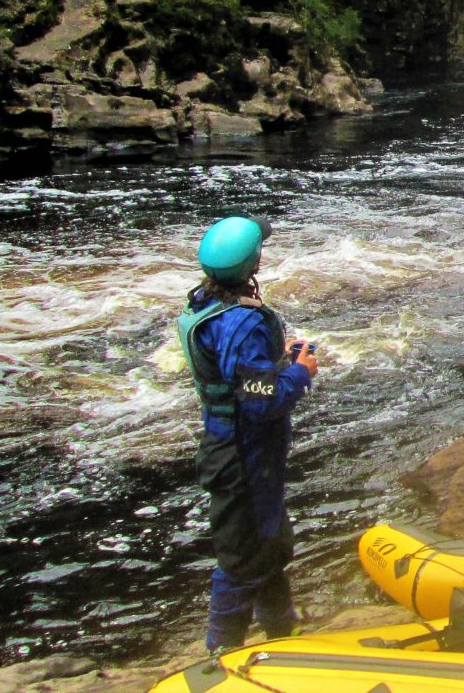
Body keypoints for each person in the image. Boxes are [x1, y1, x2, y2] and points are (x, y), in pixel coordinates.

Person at [177, 215, 320, 653]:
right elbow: (262, 403)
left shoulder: (203, 302)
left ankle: (282, 631)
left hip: (230, 445)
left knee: (268, 545)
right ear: (251, 264)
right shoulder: (242, 322)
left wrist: (275, 360)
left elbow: (238, 375)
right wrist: (299, 372)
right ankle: (220, 652)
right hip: (243, 454)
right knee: (242, 557)